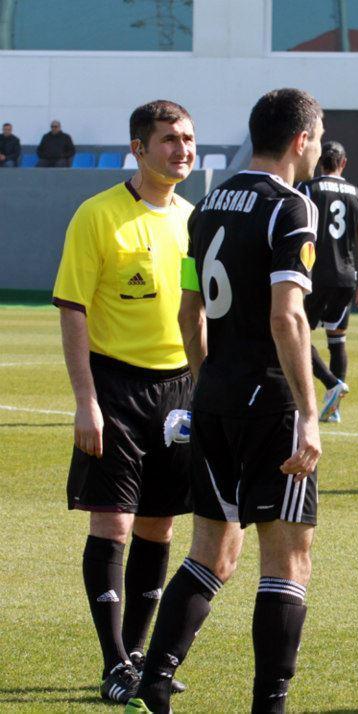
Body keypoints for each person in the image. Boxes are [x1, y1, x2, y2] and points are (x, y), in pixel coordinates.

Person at [126, 87, 323, 714]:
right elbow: (288, 316)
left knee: (209, 551)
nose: (317, 150)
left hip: (213, 396)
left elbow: (190, 310)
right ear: (301, 140)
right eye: (317, 139)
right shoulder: (291, 206)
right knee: (287, 559)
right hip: (271, 400)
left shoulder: (206, 206)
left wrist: (207, 379)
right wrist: (309, 412)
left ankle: (153, 683)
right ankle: (270, 705)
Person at [51, 100, 197, 703]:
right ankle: (114, 661)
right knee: (113, 520)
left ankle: (137, 655)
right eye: (169, 139)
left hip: (180, 390)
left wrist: (206, 388)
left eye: (188, 138)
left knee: (160, 525)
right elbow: (73, 309)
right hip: (114, 387)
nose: (182, 149)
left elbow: (198, 313)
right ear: (138, 148)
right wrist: (86, 401)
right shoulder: (98, 215)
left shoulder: (194, 219)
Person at [298, 140, 358, 423]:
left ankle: (332, 384)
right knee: (337, 339)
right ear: (343, 163)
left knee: (297, 335)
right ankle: (334, 408)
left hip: (315, 275)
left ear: (320, 161)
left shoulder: (307, 189)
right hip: (346, 277)